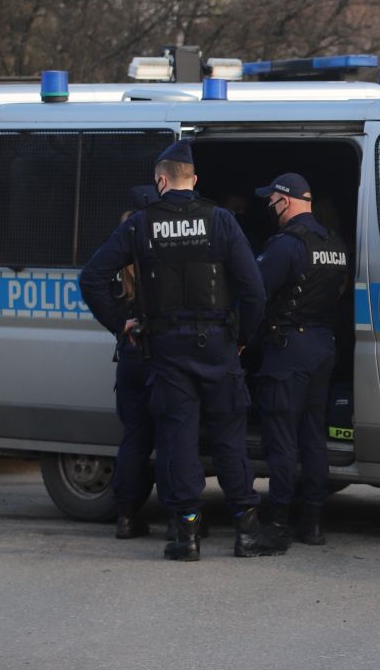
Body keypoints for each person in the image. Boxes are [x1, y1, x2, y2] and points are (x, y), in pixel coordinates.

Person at [80, 140, 276, 561]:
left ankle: (186, 536)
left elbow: (92, 277)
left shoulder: (140, 225)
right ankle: (246, 531)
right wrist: (241, 337)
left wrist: (122, 323)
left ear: (161, 180)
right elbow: (254, 291)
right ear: (194, 180)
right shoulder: (221, 220)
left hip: (166, 350)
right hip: (218, 347)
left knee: (179, 440)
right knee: (229, 439)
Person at [252, 174, 349, 547]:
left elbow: (255, 293)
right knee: (313, 437)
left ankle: (276, 523)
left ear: (285, 201)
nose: (269, 208)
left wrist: (242, 338)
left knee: (281, 439)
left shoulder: (286, 245)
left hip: (289, 349)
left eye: (271, 201)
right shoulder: (334, 243)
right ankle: (312, 521)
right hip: (322, 346)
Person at [95, 185, 161, 539]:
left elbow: (93, 281)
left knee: (134, 439)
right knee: (170, 437)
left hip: (130, 356)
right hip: (158, 355)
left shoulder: (119, 248)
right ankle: (182, 517)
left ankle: (125, 516)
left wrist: (119, 326)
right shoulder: (157, 245)